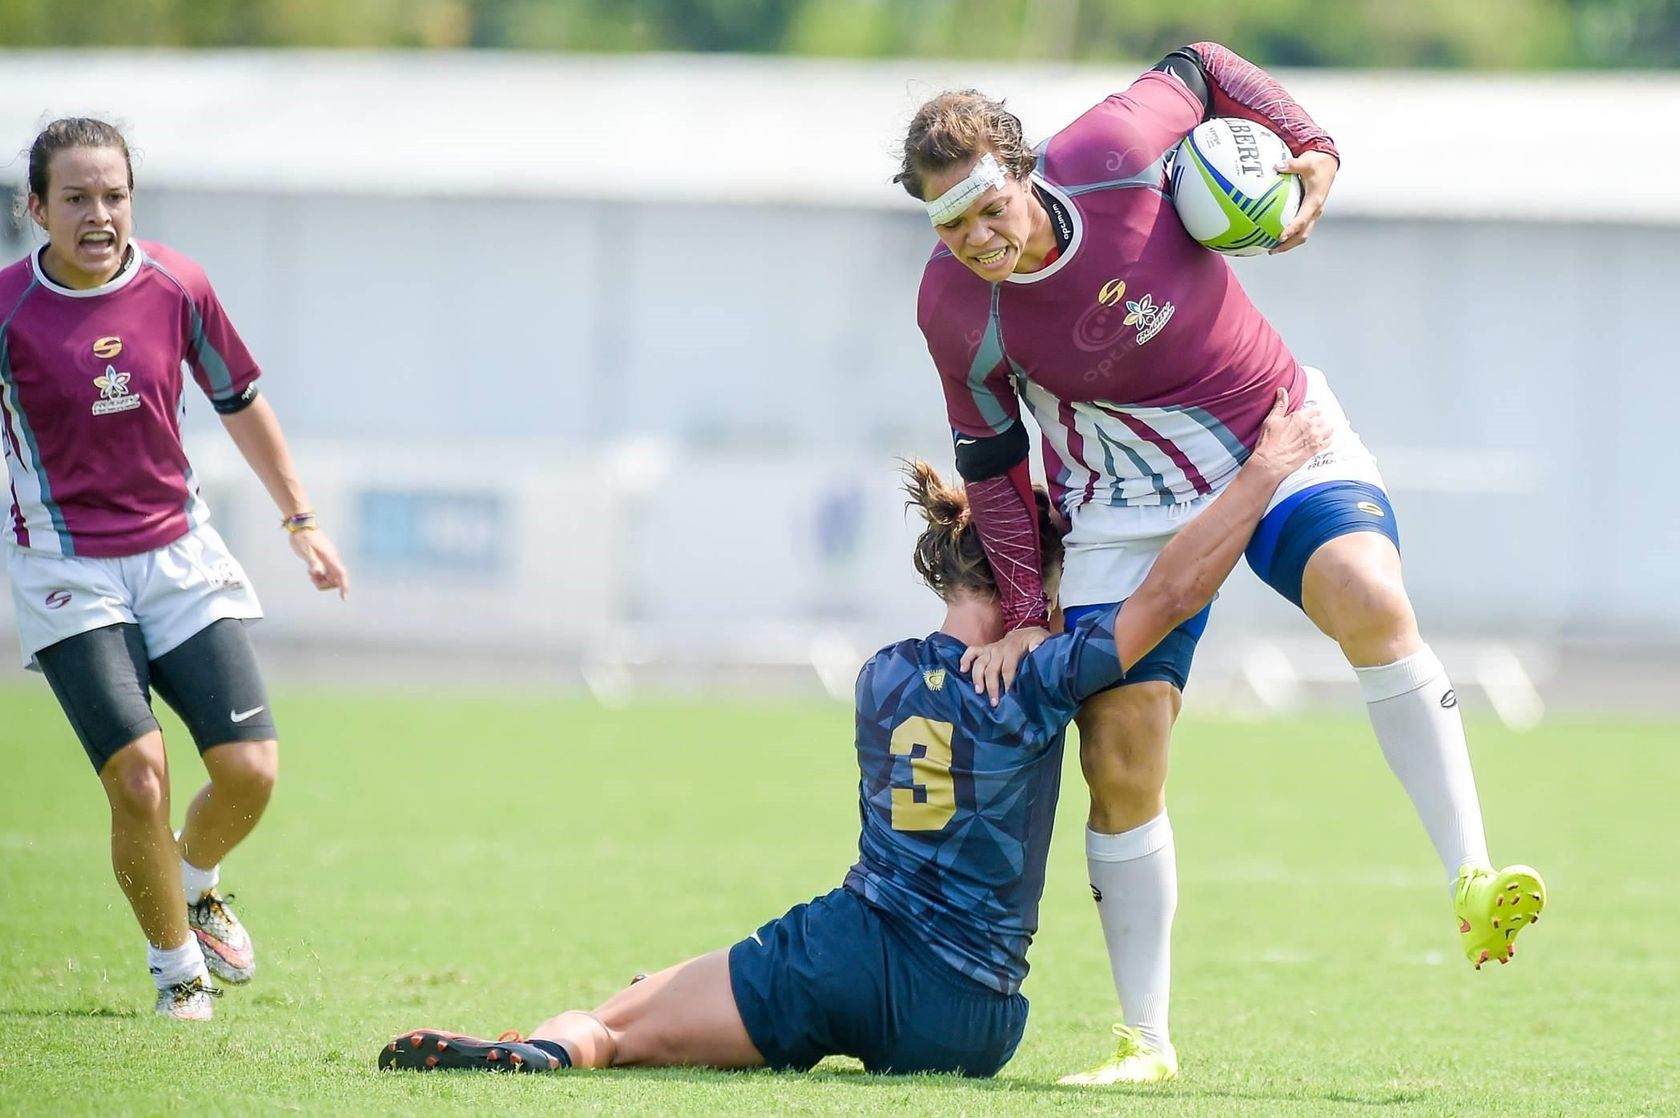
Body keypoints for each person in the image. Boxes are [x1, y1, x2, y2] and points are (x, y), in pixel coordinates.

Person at [898, 44, 1546, 1084]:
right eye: (948, 221)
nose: (975, 236)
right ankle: (1143, 1040)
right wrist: (1025, 607)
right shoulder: (951, 309)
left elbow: (1200, 66)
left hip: (1279, 437)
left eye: (985, 205)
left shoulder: (1110, 150)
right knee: (1120, 751)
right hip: (1124, 506)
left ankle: (1473, 874)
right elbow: (994, 457)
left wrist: (1315, 150)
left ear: (1025, 170)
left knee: (1371, 598)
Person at [378, 393, 1327, 1077]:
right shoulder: (1039, 677)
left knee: (631, 1018)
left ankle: (557, 1046)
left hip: (848, 954)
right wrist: (1266, 471)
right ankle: (638, 1017)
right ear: (1028, 581)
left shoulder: (879, 676)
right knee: (678, 992)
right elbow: (1167, 595)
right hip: (972, 1019)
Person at [1, 118, 349, 1020]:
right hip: (65, 569)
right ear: (34, 209)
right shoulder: (6, 309)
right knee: (141, 776)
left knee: (251, 771)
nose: (98, 214)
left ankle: (197, 882)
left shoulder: (177, 285)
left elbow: (241, 398)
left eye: (113, 194)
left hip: (178, 553)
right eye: (75, 198)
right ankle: (175, 971)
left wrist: (300, 519)